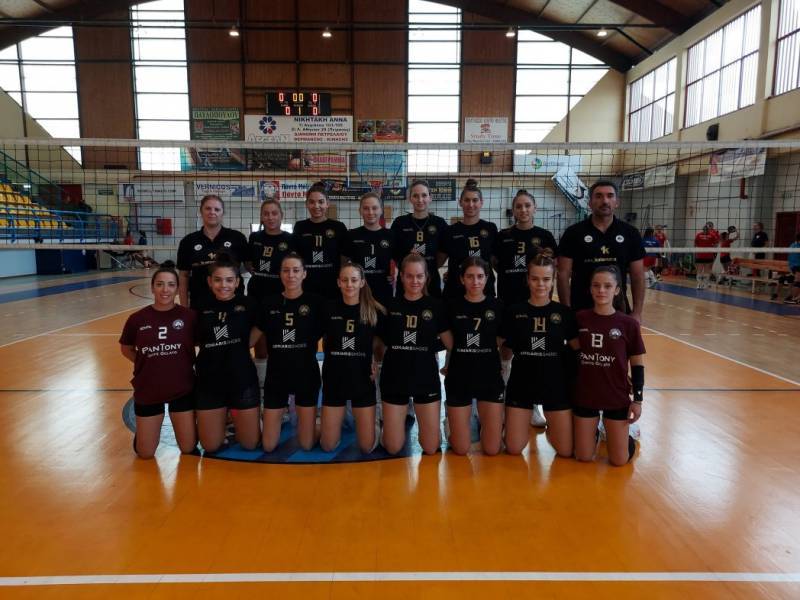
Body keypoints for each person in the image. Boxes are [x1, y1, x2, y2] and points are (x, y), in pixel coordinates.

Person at [500, 251, 578, 457]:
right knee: (514, 448)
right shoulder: (514, 312)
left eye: (546, 279)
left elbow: (578, 350)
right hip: (521, 384)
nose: (540, 284)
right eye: (535, 279)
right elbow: (499, 347)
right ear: (527, 280)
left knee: (565, 450)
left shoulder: (564, 314)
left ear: (553, 281)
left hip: (555, 385)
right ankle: (507, 427)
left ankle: (559, 430)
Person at [119, 261, 198, 458]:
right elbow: (126, 349)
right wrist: (148, 363)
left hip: (182, 388)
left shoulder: (189, 317)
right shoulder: (137, 319)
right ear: (152, 287)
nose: (165, 290)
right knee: (145, 453)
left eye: (171, 285)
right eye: (160, 284)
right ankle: (143, 436)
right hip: (148, 387)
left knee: (188, 448)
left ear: (177, 289)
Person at [377, 253, 453, 455]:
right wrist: (372, 363)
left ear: (426, 277)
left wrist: (451, 366)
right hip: (394, 378)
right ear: (401, 276)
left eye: (419, 276)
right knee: (393, 447)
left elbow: (450, 344)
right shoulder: (389, 306)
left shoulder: (435, 306)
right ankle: (383, 429)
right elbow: (378, 342)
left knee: (430, 447)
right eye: (409, 276)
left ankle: (440, 428)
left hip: (425, 378)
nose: (414, 281)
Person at [573, 266, 645, 467]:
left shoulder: (628, 324)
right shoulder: (580, 319)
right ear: (590, 289)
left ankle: (625, 437)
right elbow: (572, 356)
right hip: (585, 395)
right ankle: (594, 432)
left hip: (616, 395)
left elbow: (637, 365)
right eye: (596, 285)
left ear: (617, 290)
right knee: (584, 456)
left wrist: (637, 400)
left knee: (619, 460)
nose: (601, 290)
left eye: (607, 286)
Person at [257, 253, 326, 452]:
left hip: (306, 375)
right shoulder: (268, 303)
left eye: (296, 270)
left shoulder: (316, 303)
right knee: (268, 446)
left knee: (306, 444)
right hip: (276, 377)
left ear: (304, 273)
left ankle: (322, 424)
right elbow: (252, 338)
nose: (291, 275)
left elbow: (334, 334)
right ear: (280, 274)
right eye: (286, 270)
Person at [194, 254, 262, 453]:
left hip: (241, 379)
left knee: (250, 444)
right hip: (209, 381)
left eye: (229, 280)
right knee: (210, 446)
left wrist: (244, 345)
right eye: (218, 280)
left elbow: (259, 329)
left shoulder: (249, 305)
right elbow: (194, 339)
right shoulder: (200, 306)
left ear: (237, 282)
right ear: (209, 281)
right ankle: (222, 417)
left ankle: (246, 417)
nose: (223, 285)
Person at [557, 180, 645, 322]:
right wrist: (566, 311)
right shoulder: (573, 233)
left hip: (618, 310)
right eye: (598, 196)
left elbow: (638, 275)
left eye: (610, 196)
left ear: (617, 202)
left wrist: (637, 312)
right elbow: (563, 274)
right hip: (580, 311)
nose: (605, 201)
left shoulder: (630, 233)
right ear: (590, 203)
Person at [320, 262, 385, 453]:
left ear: (362, 282)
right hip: (334, 381)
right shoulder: (328, 309)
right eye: (345, 280)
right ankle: (326, 421)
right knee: (327, 445)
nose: (349, 284)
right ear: (338, 282)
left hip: (362, 381)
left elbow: (382, 340)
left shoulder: (374, 311)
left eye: (354, 280)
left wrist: (375, 361)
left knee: (366, 447)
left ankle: (375, 422)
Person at [443, 257, 504, 456]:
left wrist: (485, 352)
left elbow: (499, 340)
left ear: (487, 278)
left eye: (480, 276)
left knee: (492, 449)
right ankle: (450, 424)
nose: (475, 281)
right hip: (459, 378)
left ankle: (491, 426)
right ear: (462, 279)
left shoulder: (498, 307)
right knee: (461, 449)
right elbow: (450, 342)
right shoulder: (451, 307)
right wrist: (464, 353)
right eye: (470, 276)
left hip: (489, 378)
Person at [247, 199, 293, 391]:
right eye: (266, 213)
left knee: (281, 339)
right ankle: (262, 385)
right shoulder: (255, 237)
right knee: (260, 339)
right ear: (261, 216)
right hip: (257, 294)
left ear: (281, 215)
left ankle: (282, 383)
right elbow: (248, 263)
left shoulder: (290, 239)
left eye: (274, 213)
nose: (270, 217)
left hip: (281, 296)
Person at [177, 194, 248, 310]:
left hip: (233, 304)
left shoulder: (237, 238)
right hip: (200, 303)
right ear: (201, 211)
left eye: (217, 209)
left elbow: (249, 266)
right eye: (208, 208)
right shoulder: (188, 241)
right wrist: (184, 308)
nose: (212, 212)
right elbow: (183, 275)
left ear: (223, 213)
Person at [493, 189, 558, 306]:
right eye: (518, 207)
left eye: (527, 205)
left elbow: (553, 267)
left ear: (535, 208)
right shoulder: (502, 236)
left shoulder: (545, 236)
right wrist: (510, 272)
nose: (523, 210)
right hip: (508, 297)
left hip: (536, 297)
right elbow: (494, 262)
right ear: (513, 211)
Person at [439, 179, 498, 299]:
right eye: (466, 200)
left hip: (484, 291)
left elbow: (495, 261)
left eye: (475, 200)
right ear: (460, 202)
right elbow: (438, 262)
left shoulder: (490, 228)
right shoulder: (450, 231)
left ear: (481, 202)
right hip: (455, 292)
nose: (471, 204)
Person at [390, 179, 448, 298]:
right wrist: (409, 259)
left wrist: (425, 266)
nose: (420, 200)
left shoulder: (439, 223)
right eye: (415, 196)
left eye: (424, 195)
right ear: (410, 198)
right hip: (406, 282)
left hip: (431, 281)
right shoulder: (399, 223)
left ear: (430, 198)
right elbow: (394, 254)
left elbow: (443, 253)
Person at [291, 183, 348, 299]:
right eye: (312, 202)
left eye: (321, 202)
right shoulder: (300, 227)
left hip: (332, 286)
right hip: (306, 285)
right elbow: (295, 257)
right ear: (307, 204)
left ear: (327, 204)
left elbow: (345, 258)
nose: (316, 206)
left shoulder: (338, 227)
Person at [343, 192, 396, 306]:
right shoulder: (352, 235)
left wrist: (395, 273)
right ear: (360, 211)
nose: (371, 212)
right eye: (366, 208)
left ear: (381, 210)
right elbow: (343, 264)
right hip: (358, 292)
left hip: (383, 292)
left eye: (374, 208)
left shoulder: (391, 235)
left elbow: (399, 260)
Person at [694, 224, 717, 289]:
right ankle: (700, 284)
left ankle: (703, 284)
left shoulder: (711, 235)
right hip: (702, 255)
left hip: (707, 256)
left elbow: (715, 244)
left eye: (706, 230)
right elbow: (715, 244)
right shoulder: (699, 235)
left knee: (705, 270)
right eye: (705, 229)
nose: (705, 231)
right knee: (701, 270)